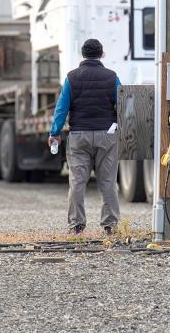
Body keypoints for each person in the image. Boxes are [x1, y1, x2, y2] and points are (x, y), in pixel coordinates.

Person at [49, 39, 122, 235]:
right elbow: (124, 104)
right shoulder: (111, 77)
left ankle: (76, 224)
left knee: (77, 182)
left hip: (79, 135)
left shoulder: (71, 78)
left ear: (83, 54)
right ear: (101, 54)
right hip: (106, 135)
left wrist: (55, 133)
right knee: (107, 182)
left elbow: (61, 108)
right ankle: (110, 225)